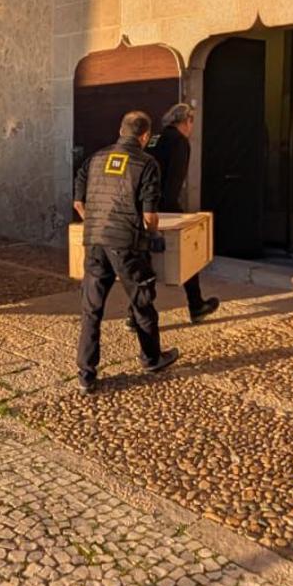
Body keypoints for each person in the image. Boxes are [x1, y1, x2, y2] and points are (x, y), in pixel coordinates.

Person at [73, 111, 180, 394]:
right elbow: (149, 216)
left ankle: (86, 375)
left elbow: (78, 202)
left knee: (91, 310)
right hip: (126, 245)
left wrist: (96, 221)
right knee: (142, 302)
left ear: (121, 131)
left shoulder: (94, 159)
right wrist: (152, 233)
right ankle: (152, 358)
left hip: (94, 241)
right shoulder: (146, 163)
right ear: (145, 136)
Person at [148, 103, 220, 323]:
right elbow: (174, 181)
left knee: (144, 261)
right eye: (192, 122)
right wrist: (173, 211)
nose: (192, 127)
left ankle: (136, 313)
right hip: (164, 206)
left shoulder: (155, 138)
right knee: (189, 253)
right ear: (186, 120)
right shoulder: (179, 142)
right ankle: (196, 305)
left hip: (144, 206)